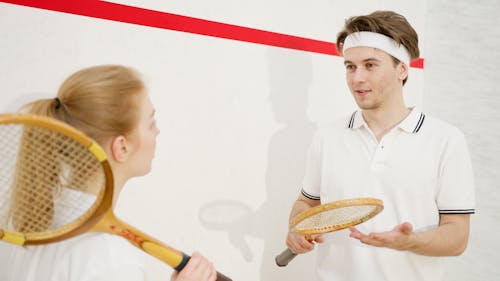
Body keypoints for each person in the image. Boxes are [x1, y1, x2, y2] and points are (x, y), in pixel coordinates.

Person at [284, 10, 475, 281]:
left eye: (370, 65)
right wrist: (297, 228)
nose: (357, 78)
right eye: (350, 66)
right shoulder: (327, 137)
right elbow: (306, 202)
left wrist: (409, 242)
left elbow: (457, 237)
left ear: (402, 69)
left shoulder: (446, 140)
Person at [0, 65, 217, 281]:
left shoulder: (31, 228)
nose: (157, 131)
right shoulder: (113, 260)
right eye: (151, 123)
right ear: (122, 147)